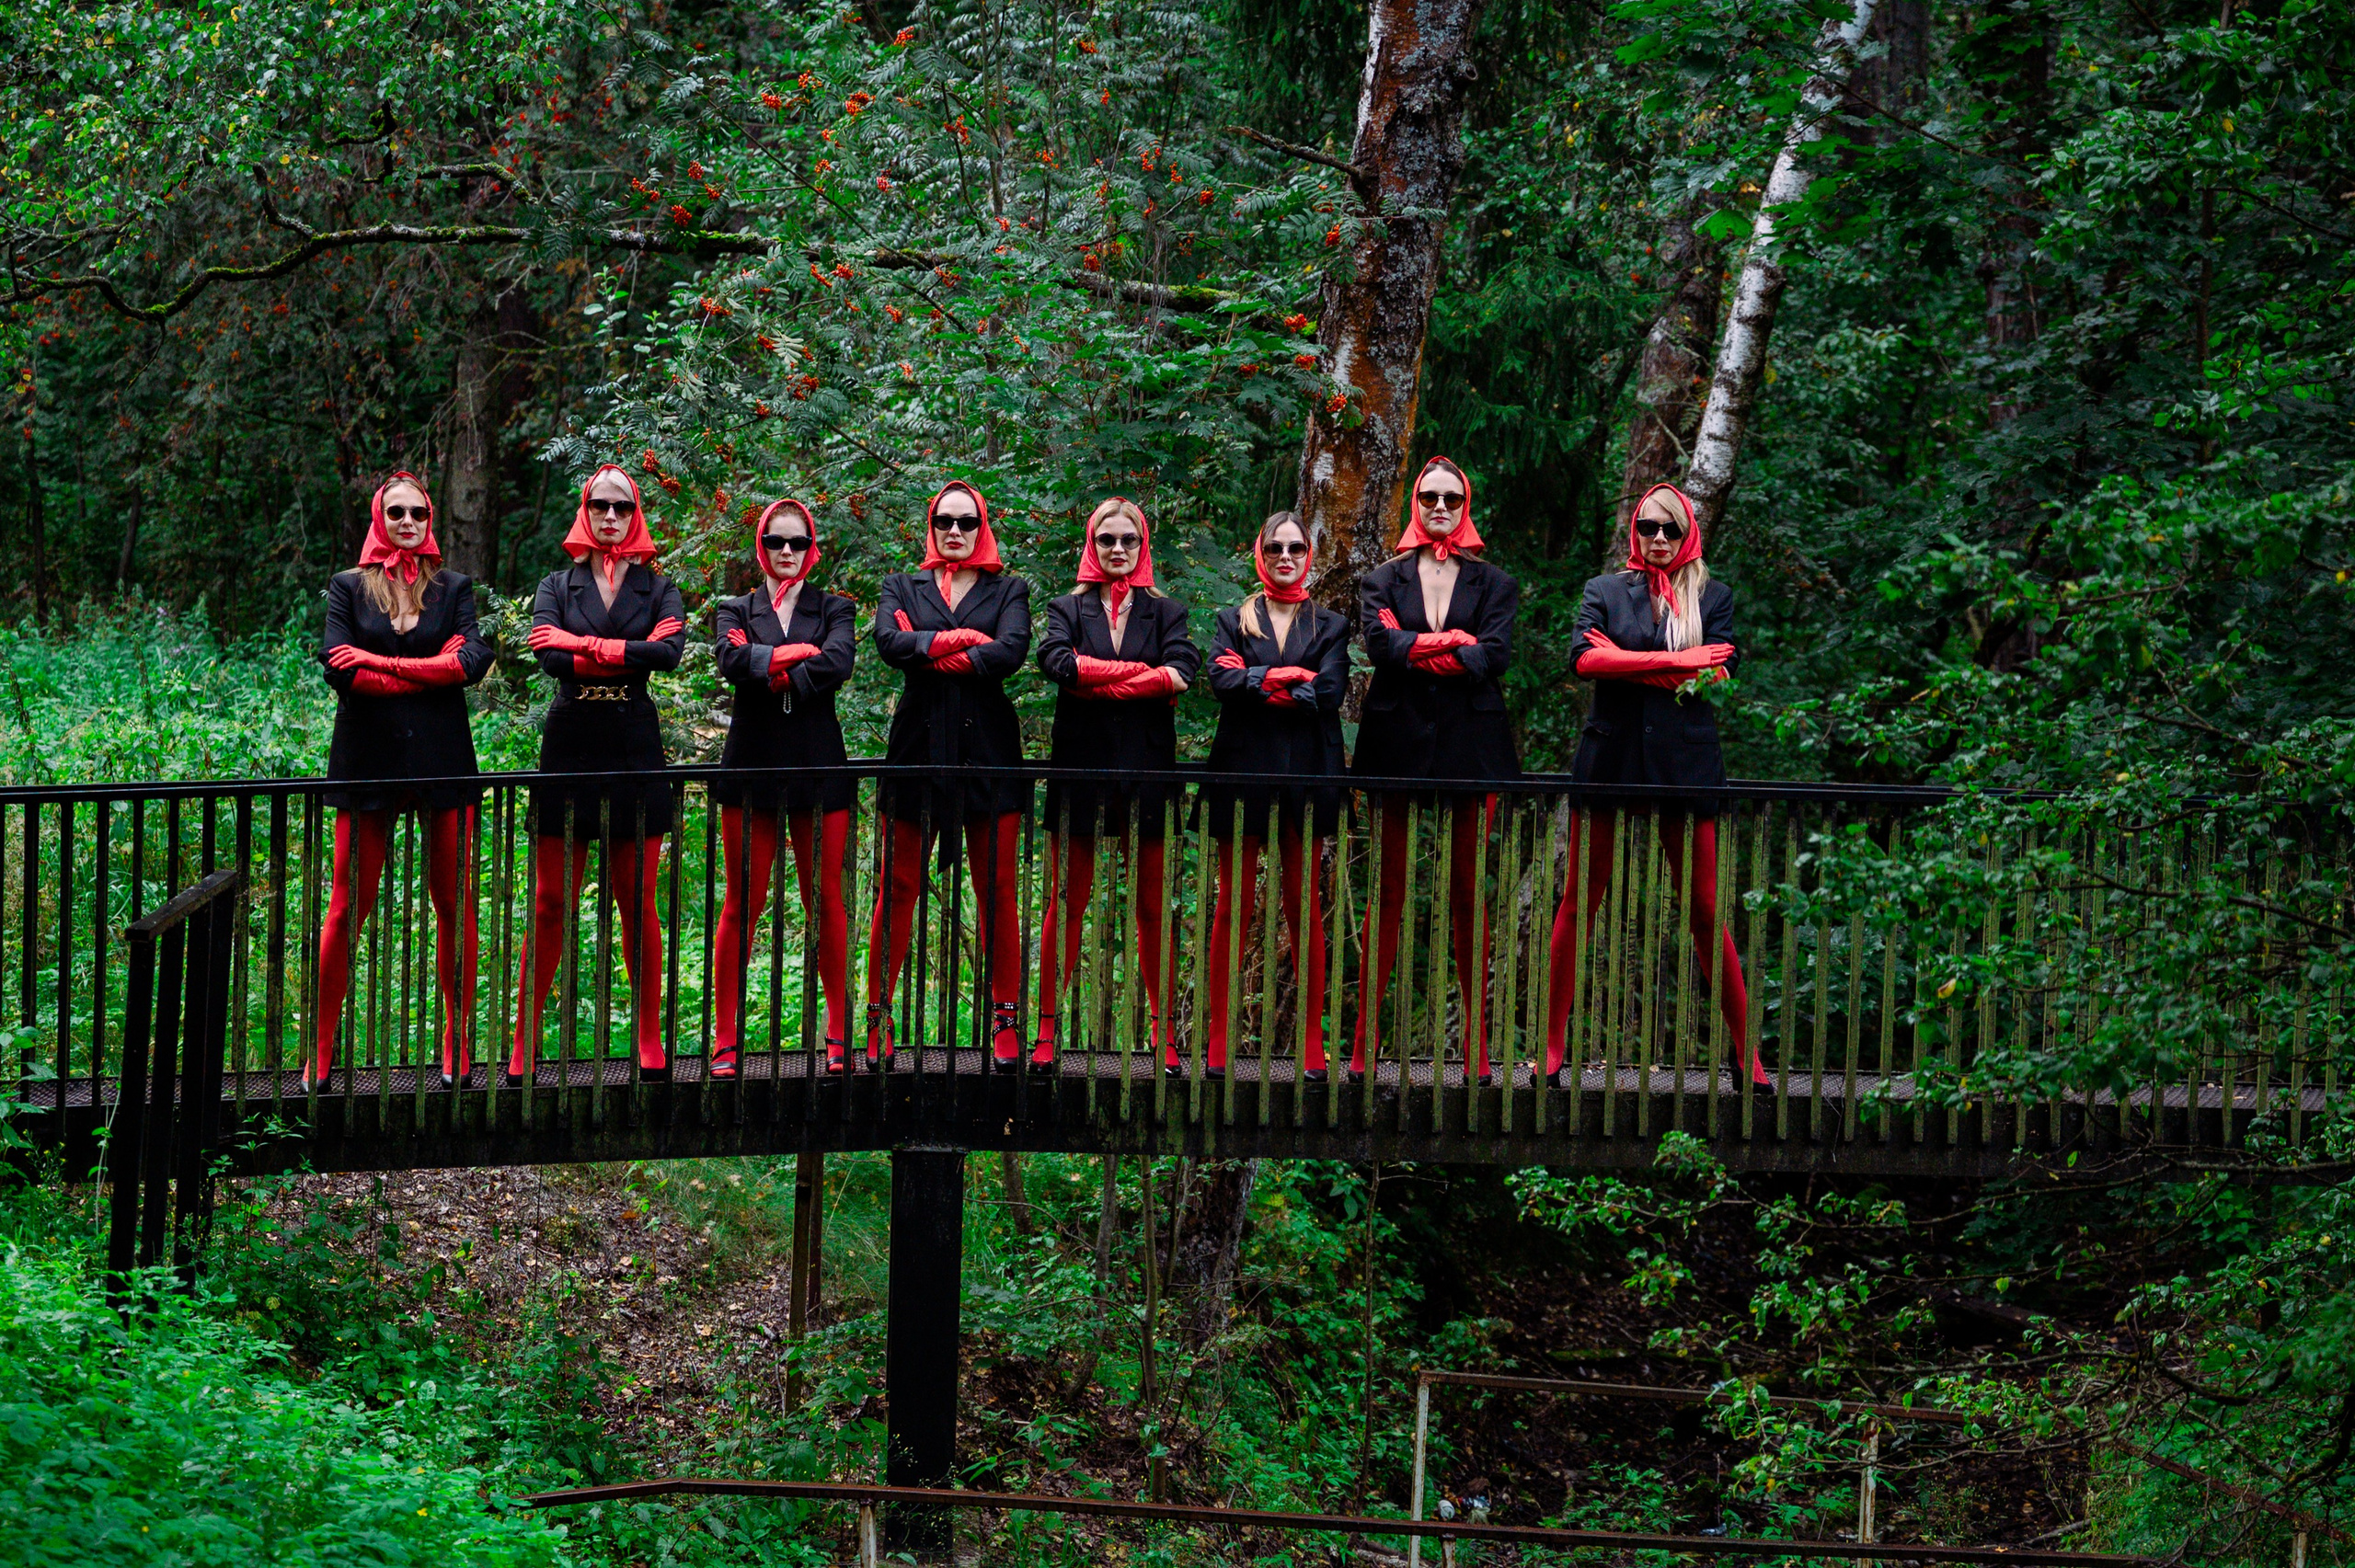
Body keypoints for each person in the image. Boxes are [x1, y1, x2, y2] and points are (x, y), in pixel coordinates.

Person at [1545, 481, 1768, 1089]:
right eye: (1649, 527)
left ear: (1688, 532)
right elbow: (1584, 661)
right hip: (1611, 759)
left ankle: (1746, 1053)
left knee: (1704, 909)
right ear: (1635, 532)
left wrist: (1629, 661)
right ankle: (1553, 1046)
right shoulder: (1605, 591)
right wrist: (1679, 662)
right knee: (1578, 899)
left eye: (1671, 528)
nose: (1660, 539)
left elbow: (1720, 677)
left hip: (1686, 765)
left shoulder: (1713, 596)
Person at [314, 473, 494, 1089]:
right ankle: (322, 1044)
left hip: (443, 759)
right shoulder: (347, 588)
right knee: (345, 906)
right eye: (398, 511)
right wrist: (426, 670)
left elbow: (470, 662)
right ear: (379, 516)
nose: (409, 520)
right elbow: (342, 671)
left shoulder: (452, 588)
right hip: (366, 759)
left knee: (456, 904)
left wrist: (381, 661)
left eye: (419, 511)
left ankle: (457, 1040)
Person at [511, 465, 686, 1082]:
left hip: (636, 744)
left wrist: (591, 648)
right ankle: (525, 1036)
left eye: (621, 506)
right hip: (570, 743)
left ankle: (647, 1036)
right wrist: (616, 652)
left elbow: (666, 653)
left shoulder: (658, 588)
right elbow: (548, 654)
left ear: (635, 514)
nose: (610, 516)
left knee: (637, 901)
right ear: (585, 512)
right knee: (550, 899)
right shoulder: (557, 583)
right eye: (599, 505)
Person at [1350, 457, 1520, 1085]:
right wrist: (1452, 645)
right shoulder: (1383, 580)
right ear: (1415, 503)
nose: (1440, 506)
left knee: (1467, 893)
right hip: (1397, 740)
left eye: (1451, 497)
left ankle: (1474, 1046)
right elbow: (1379, 647)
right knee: (1389, 890)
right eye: (1429, 496)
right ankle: (1366, 1043)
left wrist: (1418, 647)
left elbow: (1494, 656)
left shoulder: (1495, 583)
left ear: (1465, 503)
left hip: (1472, 745)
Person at [867, 481, 1032, 1065]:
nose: (954, 531)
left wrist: (929, 646)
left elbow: (1010, 652)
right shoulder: (900, 585)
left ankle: (1006, 1021)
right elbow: (889, 641)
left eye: (965, 521)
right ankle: (879, 1018)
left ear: (981, 525)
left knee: (998, 892)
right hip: (915, 749)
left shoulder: (1009, 588)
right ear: (931, 526)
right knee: (899, 886)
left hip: (989, 751)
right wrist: (964, 640)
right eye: (944, 521)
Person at [1031, 498, 1200, 1071]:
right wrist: (1140, 678)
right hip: (1079, 768)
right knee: (1066, 902)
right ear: (1092, 544)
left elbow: (1183, 672)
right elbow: (1056, 662)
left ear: (1142, 544)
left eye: (1129, 539)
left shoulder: (1168, 612)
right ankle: (1047, 1031)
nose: (1118, 548)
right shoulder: (1065, 608)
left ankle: (1163, 1034)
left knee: (1153, 905)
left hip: (1149, 771)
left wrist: (1099, 679)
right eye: (1108, 539)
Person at [1199, 512, 1350, 1080]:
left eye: (1295, 548)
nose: (1285, 556)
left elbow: (1330, 692)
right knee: (1232, 906)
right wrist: (1290, 680)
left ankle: (1312, 1041)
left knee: (1302, 904)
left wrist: (1259, 679)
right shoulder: (1232, 619)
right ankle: (1219, 1038)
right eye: (1275, 547)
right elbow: (1219, 681)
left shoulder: (1331, 624)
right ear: (1260, 553)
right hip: (1242, 772)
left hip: (1309, 774)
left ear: (1309, 554)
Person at [712, 498, 858, 1077]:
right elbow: (731, 662)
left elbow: (839, 663)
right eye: (777, 542)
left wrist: (768, 663)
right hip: (749, 762)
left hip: (819, 762)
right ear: (762, 547)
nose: (788, 552)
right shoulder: (734, 607)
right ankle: (726, 1040)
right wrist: (798, 658)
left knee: (824, 898)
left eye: (798, 542)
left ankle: (840, 1033)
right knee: (741, 902)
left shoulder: (836, 607)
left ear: (812, 546)